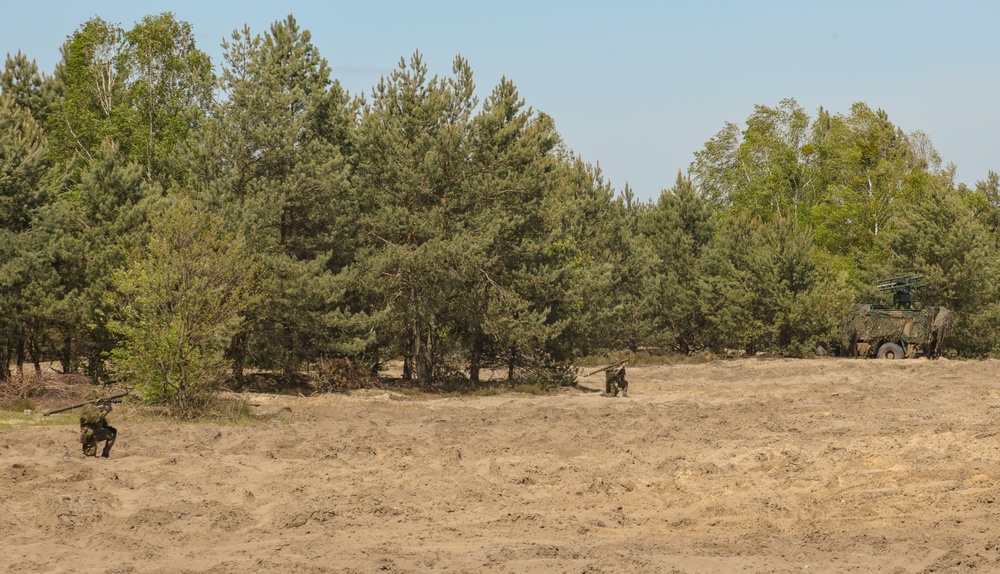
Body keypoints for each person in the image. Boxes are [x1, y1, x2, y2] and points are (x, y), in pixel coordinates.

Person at [80, 394, 117, 458]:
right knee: (90, 456)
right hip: (91, 436)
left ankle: (105, 455)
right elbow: (96, 419)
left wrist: (109, 428)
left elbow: (102, 422)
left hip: (98, 433)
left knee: (112, 433)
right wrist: (106, 411)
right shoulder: (88, 410)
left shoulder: (97, 411)